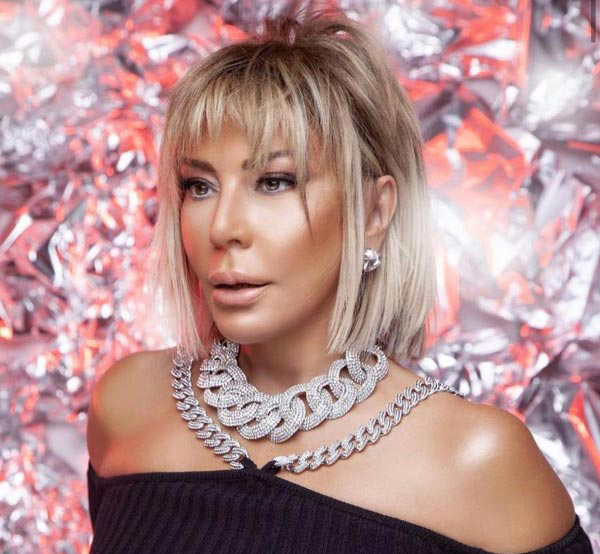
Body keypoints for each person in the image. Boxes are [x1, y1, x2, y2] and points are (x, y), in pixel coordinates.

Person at [85, 3, 593, 553]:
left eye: (274, 182)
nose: (224, 227)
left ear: (374, 212)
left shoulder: (476, 460)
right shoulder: (128, 404)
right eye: (199, 186)